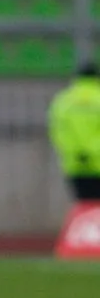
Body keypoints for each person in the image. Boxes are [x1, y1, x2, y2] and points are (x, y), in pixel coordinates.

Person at [49, 62, 100, 201]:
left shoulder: (64, 100)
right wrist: (92, 151)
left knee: (84, 205)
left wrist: (78, 152)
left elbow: (59, 132)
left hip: (75, 164)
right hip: (98, 162)